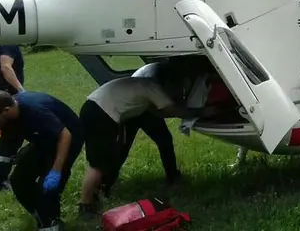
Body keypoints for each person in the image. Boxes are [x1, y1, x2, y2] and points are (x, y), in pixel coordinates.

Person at [78, 75, 208, 215]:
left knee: (111, 156)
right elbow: (171, 110)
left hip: (97, 106)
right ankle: (86, 205)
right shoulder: (153, 88)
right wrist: (200, 112)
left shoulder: (144, 83)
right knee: (99, 164)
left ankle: (101, 190)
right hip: (100, 114)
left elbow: (158, 111)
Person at [0, 89, 83, 231]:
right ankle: (42, 216)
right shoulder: (10, 114)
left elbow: (65, 135)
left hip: (67, 139)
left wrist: (56, 170)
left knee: (47, 187)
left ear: (6, 110)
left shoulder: (35, 112)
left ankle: (53, 223)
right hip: (44, 139)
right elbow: (7, 145)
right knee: (18, 180)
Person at [0, 45, 26, 192]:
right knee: (10, 140)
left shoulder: (7, 45)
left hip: (5, 98)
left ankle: (1, 179)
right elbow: (5, 67)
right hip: (8, 99)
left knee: (13, 139)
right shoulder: (9, 45)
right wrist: (21, 90)